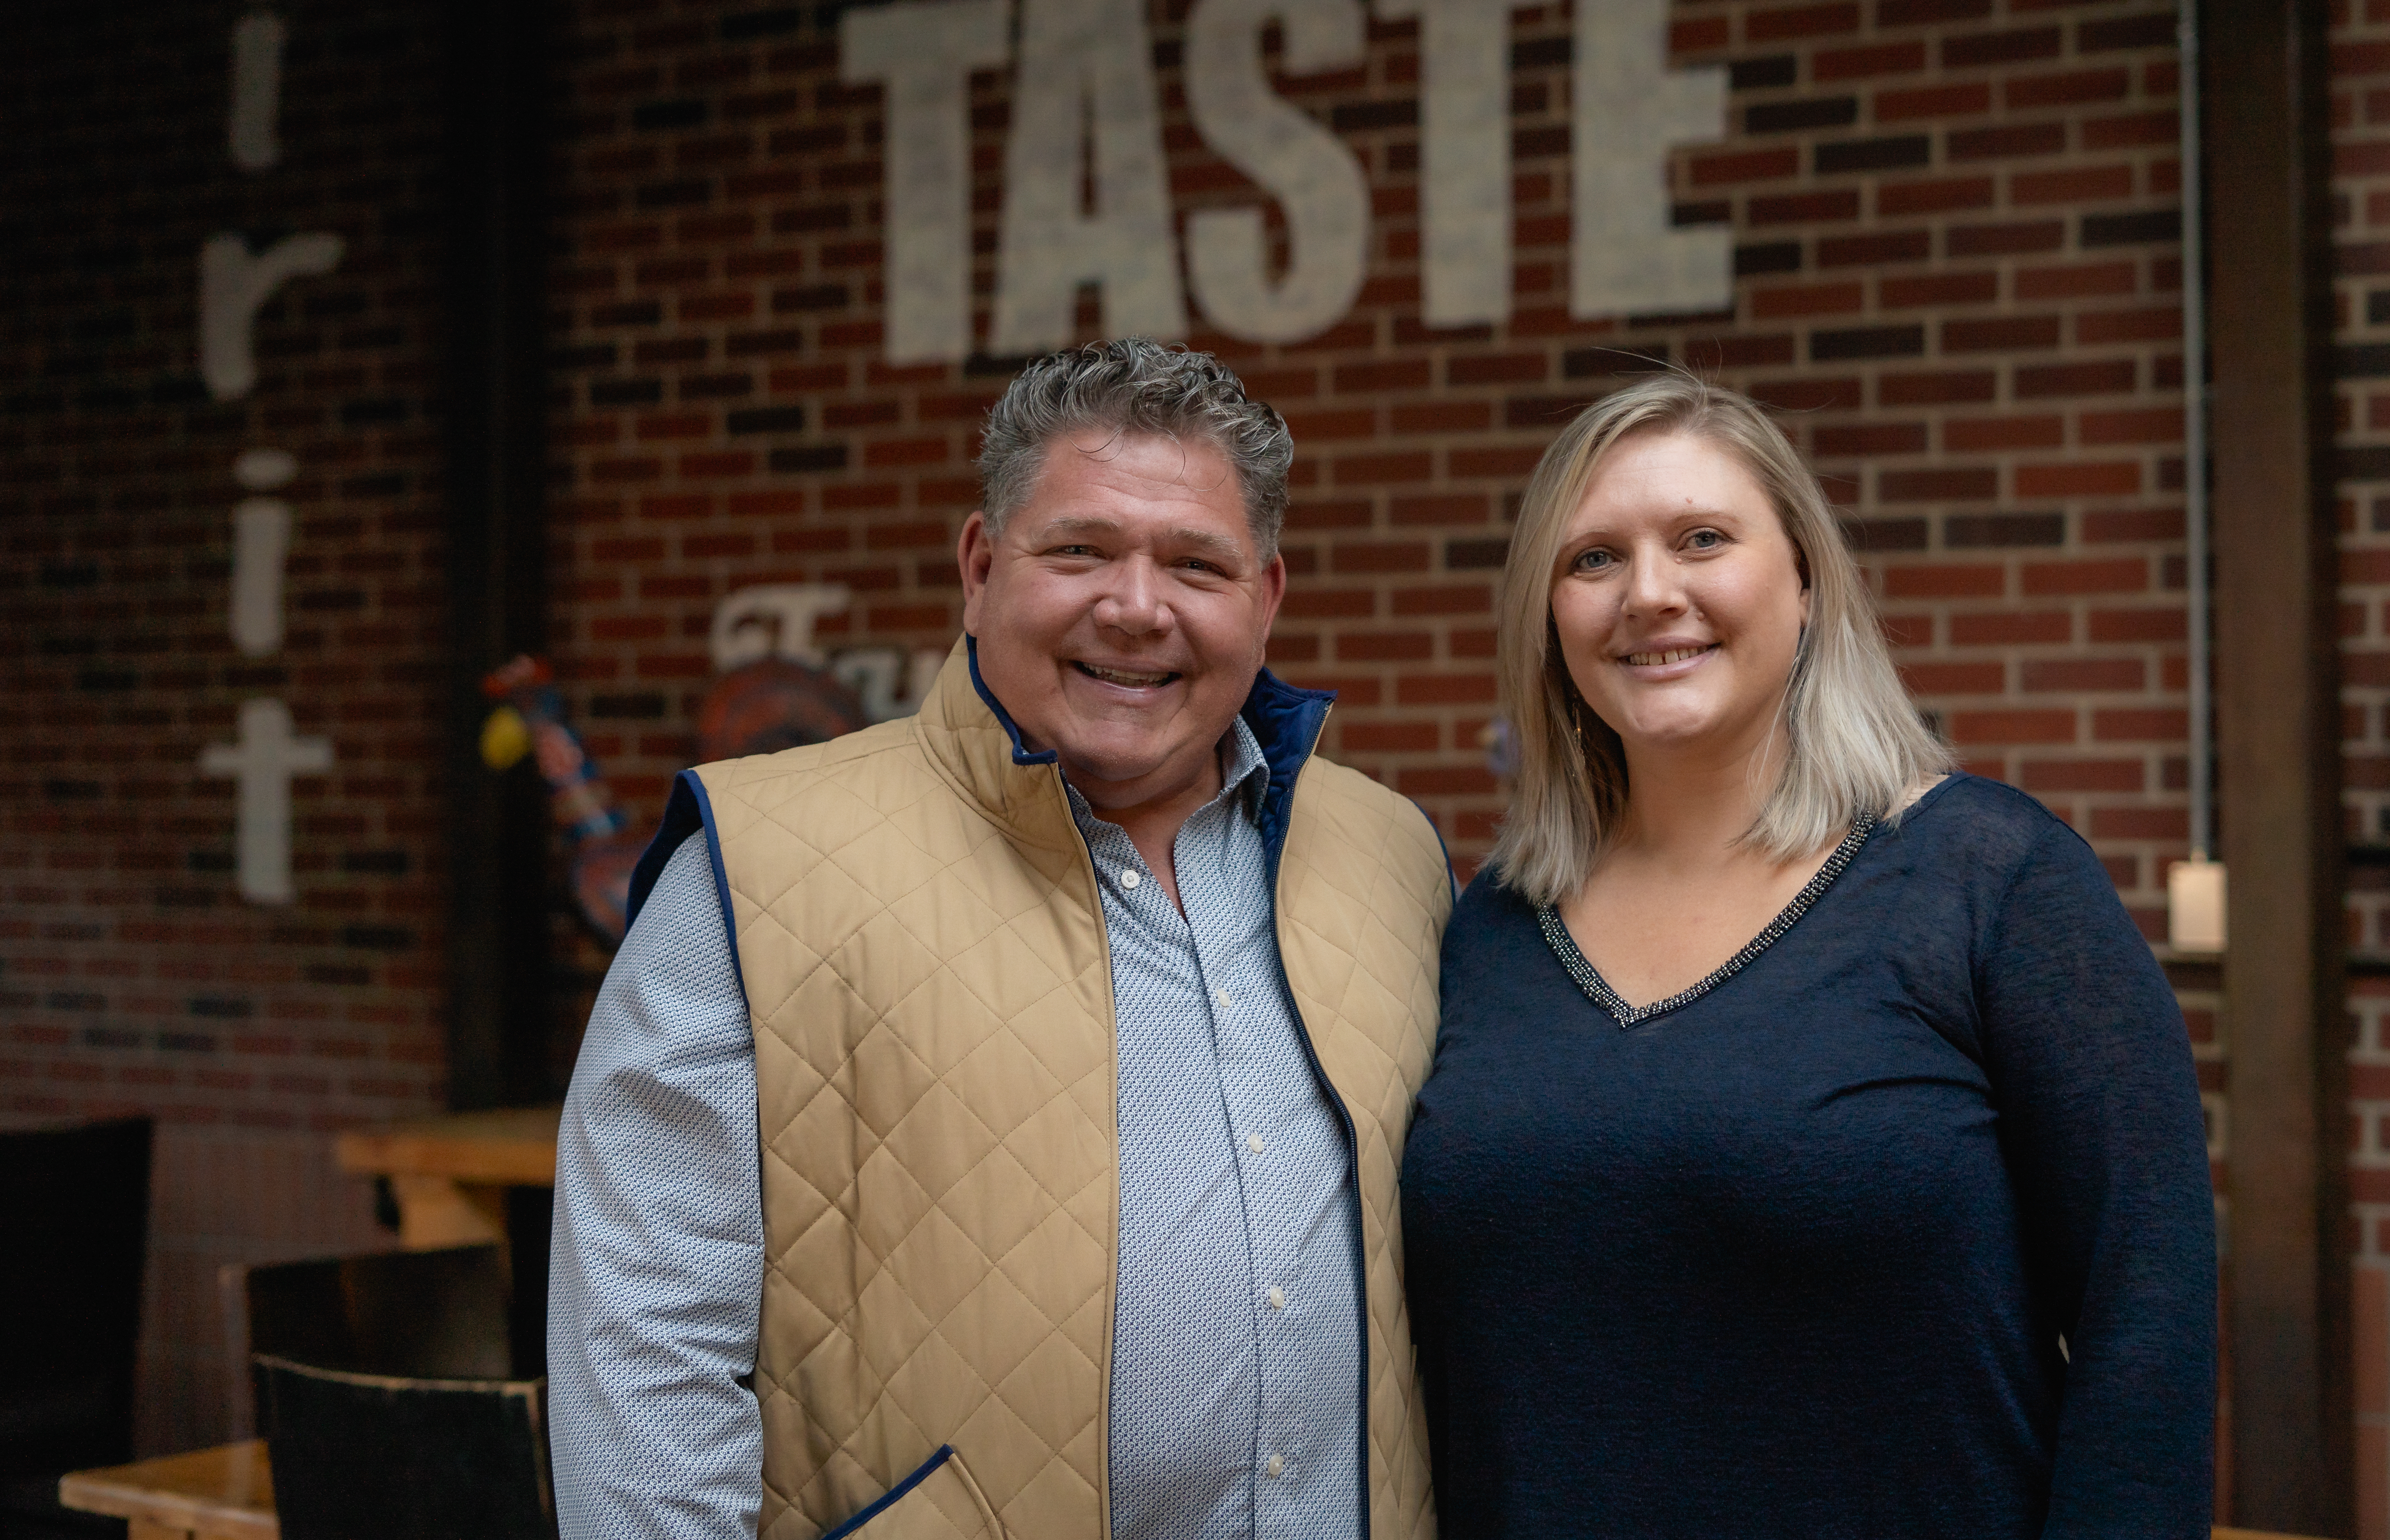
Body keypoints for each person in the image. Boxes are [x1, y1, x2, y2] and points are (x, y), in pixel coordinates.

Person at [547, 339, 1453, 1540]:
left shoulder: (1394, 856)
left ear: (1266, 597)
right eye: (1081, 551)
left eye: (1196, 564)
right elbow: (645, 1357)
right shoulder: (753, 869)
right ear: (980, 568)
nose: (1137, 607)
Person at [1399, 373, 2215, 1539]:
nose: (1648, 593)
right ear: (1547, 615)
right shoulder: (1490, 928)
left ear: (1806, 581)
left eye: (1702, 539)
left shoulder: (1991, 880)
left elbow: (2147, 1311)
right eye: (1592, 558)